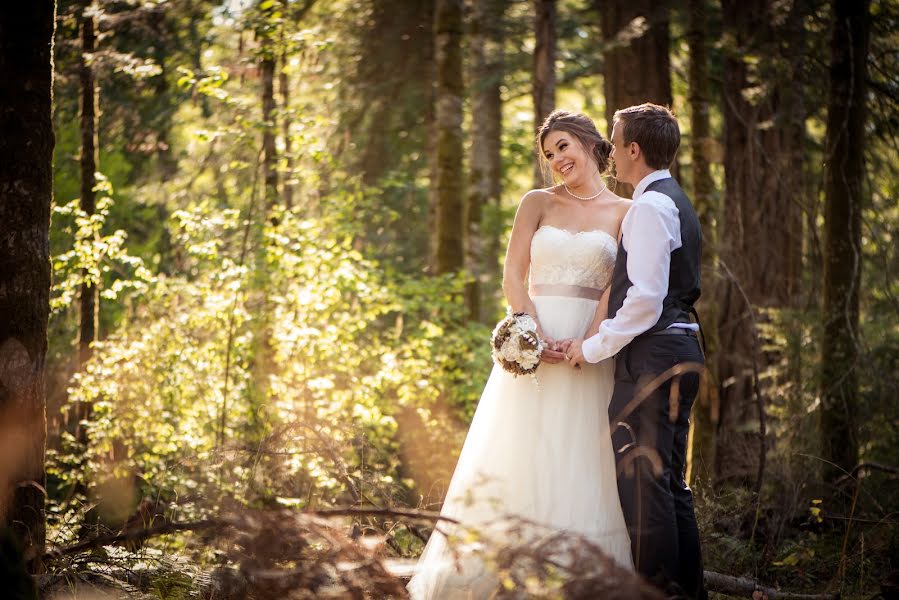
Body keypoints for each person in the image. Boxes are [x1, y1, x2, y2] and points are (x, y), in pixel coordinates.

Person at [406, 110, 633, 600]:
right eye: (550, 154)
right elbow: (513, 273)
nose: (557, 160)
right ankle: (500, 568)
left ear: (591, 144)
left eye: (564, 147)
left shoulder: (624, 210)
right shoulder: (537, 203)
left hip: (586, 350)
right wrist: (528, 331)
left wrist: (587, 343)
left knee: (579, 454)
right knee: (519, 450)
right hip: (534, 340)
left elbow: (614, 288)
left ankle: (577, 575)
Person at [565, 103, 708, 600]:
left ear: (633, 149)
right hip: (682, 346)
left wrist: (595, 346)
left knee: (646, 490)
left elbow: (643, 300)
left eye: (614, 137)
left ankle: (659, 592)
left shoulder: (648, 207)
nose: (608, 147)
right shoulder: (675, 201)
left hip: (652, 359)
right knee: (670, 486)